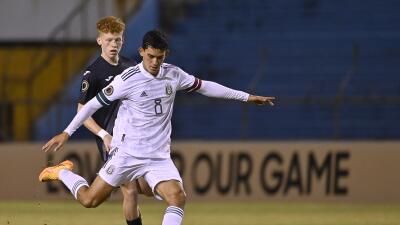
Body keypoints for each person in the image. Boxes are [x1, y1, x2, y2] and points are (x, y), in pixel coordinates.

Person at [39, 29, 275, 225]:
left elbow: (206, 86)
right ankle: (62, 172)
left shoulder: (173, 74)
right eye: (150, 56)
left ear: (165, 55)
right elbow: (90, 106)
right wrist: (67, 132)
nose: (154, 62)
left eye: (159, 57)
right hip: (126, 154)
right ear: (142, 52)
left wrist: (245, 97)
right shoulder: (127, 80)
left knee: (177, 197)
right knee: (90, 200)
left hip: (158, 157)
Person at [76, 16, 151, 225]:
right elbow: (81, 113)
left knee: (146, 188)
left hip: (134, 137)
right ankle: (63, 174)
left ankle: (63, 173)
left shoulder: (131, 66)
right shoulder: (93, 74)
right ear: (99, 41)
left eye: (117, 40)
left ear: (123, 40)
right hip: (111, 140)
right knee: (131, 190)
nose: (113, 45)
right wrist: (103, 134)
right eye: (108, 40)